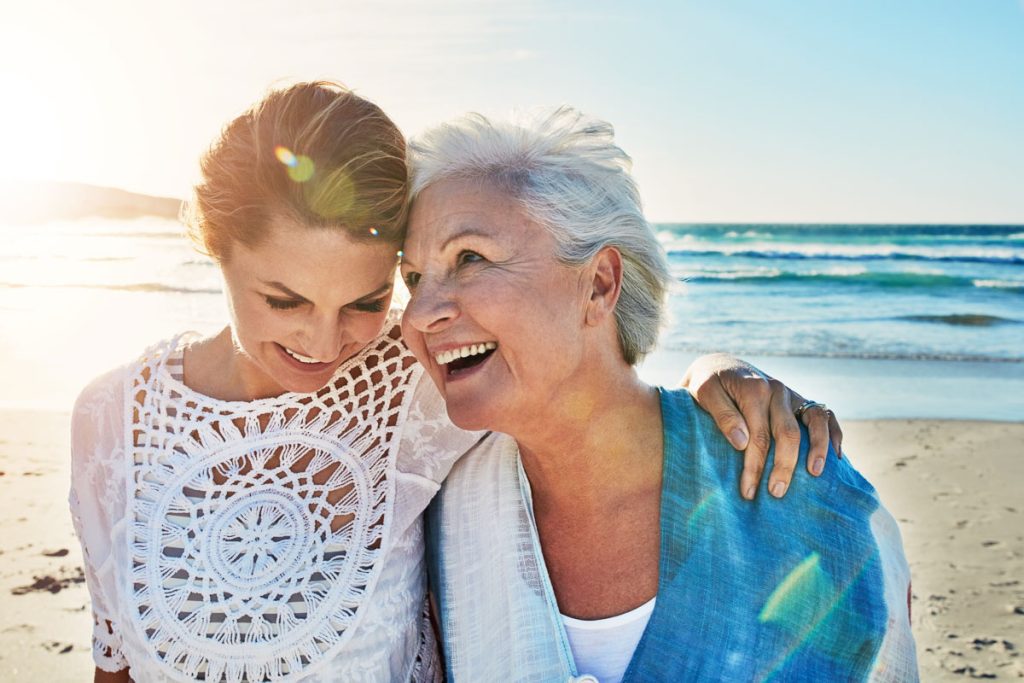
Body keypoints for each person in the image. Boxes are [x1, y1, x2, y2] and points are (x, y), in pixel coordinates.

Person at [70, 82, 841, 682]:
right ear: (214, 248)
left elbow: (580, 376)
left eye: (368, 301)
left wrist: (719, 375)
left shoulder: (417, 387)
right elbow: (116, 661)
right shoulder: (113, 418)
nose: (323, 340)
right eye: (284, 300)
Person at [401, 108, 918, 682]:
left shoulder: (808, 504)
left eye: (469, 258)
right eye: (412, 279)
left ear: (599, 285)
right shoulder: (433, 505)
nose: (421, 313)